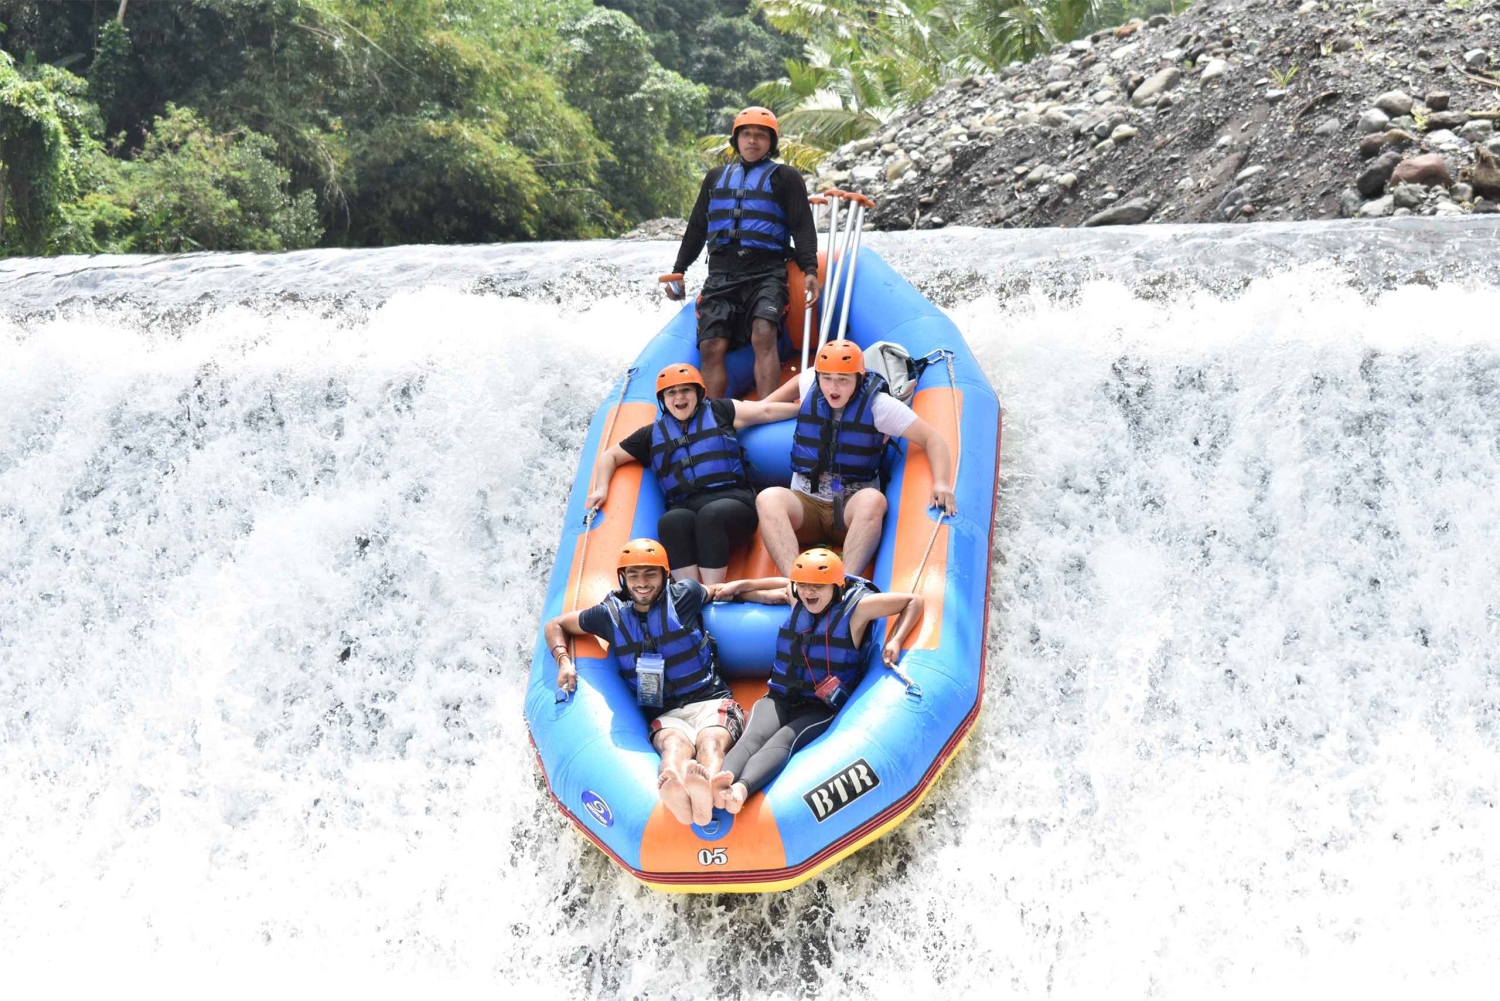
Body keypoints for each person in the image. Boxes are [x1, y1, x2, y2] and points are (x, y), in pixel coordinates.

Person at [545, 539, 745, 827]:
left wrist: (769, 592)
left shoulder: (683, 595)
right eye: (633, 575)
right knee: (672, 747)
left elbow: (716, 591)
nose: (641, 583)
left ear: (665, 575)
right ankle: (678, 791)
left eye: (650, 574)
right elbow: (555, 625)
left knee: (711, 742)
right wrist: (564, 660)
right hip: (665, 714)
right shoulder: (608, 615)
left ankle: (707, 788)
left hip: (711, 700)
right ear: (622, 578)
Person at [708, 548, 925, 814]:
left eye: (819, 587)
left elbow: (913, 601)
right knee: (751, 736)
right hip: (780, 696)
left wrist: (896, 639)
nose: (810, 592)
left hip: (819, 707)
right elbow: (780, 585)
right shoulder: (799, 598)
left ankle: (741, 789)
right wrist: (743, 585)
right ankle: (721, 781)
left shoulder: (857, 610)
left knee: (785, 739)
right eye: (805, 585)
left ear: (836, 587)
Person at [755, 339, 958, 576]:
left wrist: (942, 483)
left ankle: (844, 584)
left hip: (849, 508)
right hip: (805, 505)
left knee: (873, 500)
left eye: (843, 380)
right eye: (828, 378)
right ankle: (796, 581)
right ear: (819, 376)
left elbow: (933, 439)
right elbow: (766, 407)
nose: (834, 387)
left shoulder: (880, 406)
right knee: (767, 497)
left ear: (859, 379)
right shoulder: (809, 380)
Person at [586, 363, 799, 584]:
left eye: (686, 390)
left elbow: (765, 411)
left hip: (734, 504)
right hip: (685, 507)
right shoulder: (650, 435)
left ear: (698, 393)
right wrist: (601, 488)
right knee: (670, 521)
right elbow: (609, 456)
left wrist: (802, 410)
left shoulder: (720, 411)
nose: (679, 397)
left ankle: (712, 591)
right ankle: (689, 591)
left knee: (711, 516)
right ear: (663, 399)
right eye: (672, 392)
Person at [663, 106, 821, 401]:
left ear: (770, 143)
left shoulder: (786, 177)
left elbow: (802, 226)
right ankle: (715, 417)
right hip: (722, 275)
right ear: (736, 140)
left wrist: (810, 270)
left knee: (763, 333)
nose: (752, 141)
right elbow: (697, 227)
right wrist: (679, 269)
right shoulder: (714, 178)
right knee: (711, 345)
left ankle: (767, 410)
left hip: (767, 273)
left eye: (760, 136)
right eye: (746, 135)